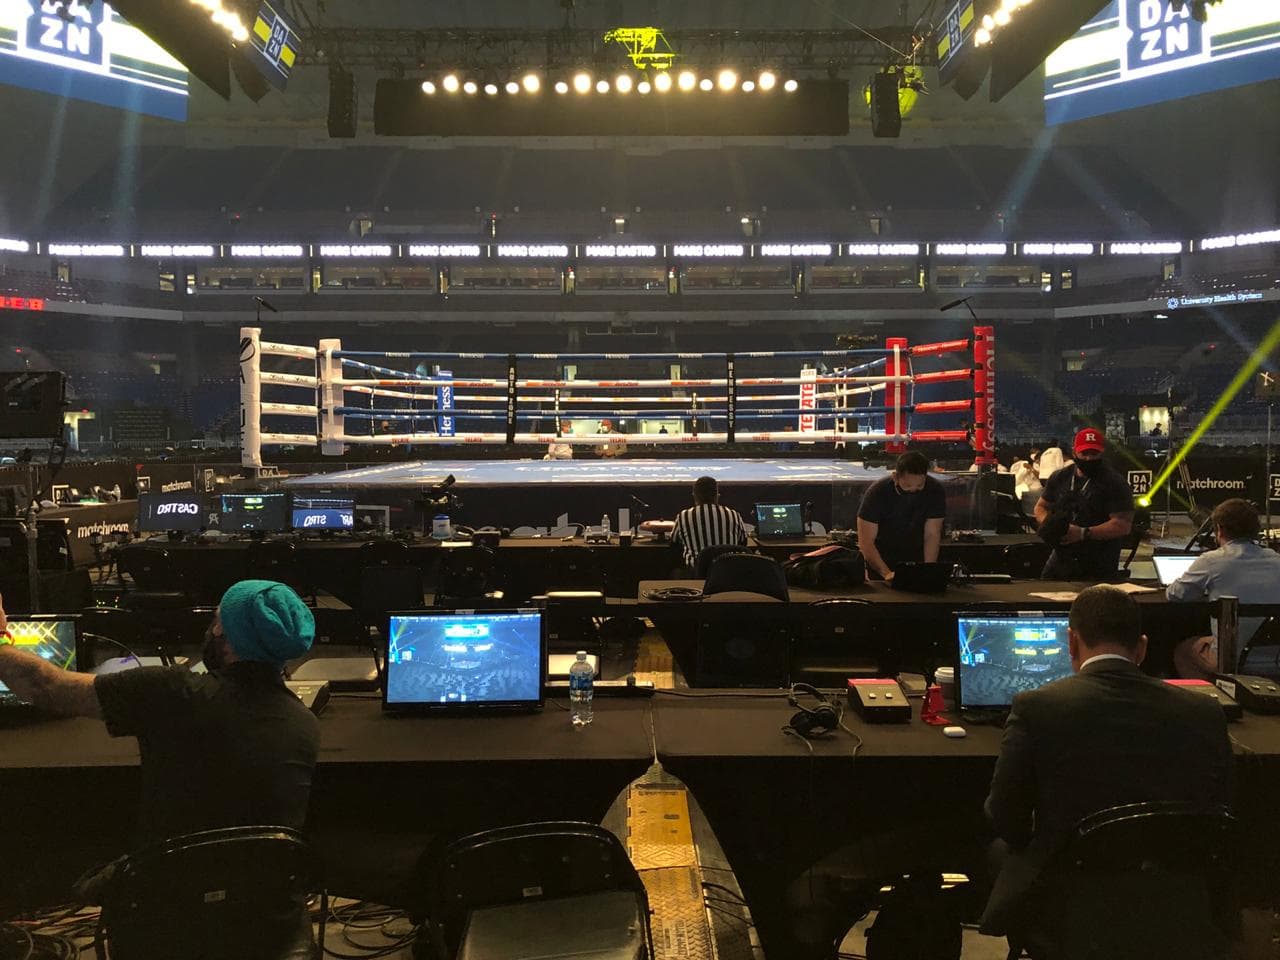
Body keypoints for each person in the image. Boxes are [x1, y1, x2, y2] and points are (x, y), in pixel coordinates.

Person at [981, 585, 1232, 937]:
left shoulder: (1037, 707)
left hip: (1072, 900)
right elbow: (1220, 807)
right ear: (1142, 648)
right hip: (1178, 901)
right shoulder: (1205, 711)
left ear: (1071, 642)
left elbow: (1006, 817)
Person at [0, 581, 319, 845]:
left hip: (167, 908)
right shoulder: (305, 724)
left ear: (227, 636)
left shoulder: (170, 691)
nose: (212, 628)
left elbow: (45, 687)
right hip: (273, 914)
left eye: (219, 620)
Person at [1167, 498, 1280, 679]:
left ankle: (1210, 702)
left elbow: (1176, 595)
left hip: (1230, 658)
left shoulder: (1211, 560)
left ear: (1219, 529)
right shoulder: (1277, 560)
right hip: (1274, 659)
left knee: (1184, 651)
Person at [1034, 427, 1134, 581]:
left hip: (1099, 558)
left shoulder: (1115, 482)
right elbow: (1040, 507)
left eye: (1094, 454)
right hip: (1062, 554)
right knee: (1045, 593)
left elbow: (1123, 524)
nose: (1088, 458)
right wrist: (1049, 522)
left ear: (1102, 453)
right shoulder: (1060, 477)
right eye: (1084, 453)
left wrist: (1083, 533)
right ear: (1075, 452)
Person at [856, 451, 947, 581]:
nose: (913, 490)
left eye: (920, 485)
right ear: (895, 477)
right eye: (907, 485)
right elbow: (866, 541)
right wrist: (886, 573)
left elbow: (932, 534)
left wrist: (928, 570)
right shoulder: (878, 492)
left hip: (917, 556)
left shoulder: (935, 490)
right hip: (882, 557)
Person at [672, 475, 748, 571]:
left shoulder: (684, 516)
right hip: (729, 573)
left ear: (694, 496)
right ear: (717, 496)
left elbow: (674, 543)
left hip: (696, 573)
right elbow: (743, 542)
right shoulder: (734, 514)